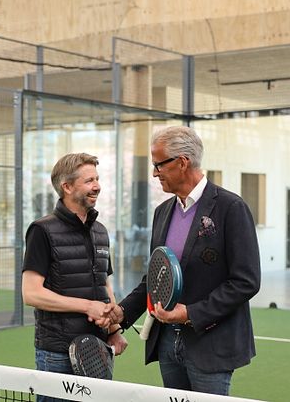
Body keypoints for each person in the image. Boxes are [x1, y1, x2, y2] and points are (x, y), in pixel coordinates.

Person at [106, 126, 261, 395]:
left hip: (211, 345)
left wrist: (190, 313)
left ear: (182, 162)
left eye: (158, 164)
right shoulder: (162, 212)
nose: (154, 172)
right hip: (167, 343)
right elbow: (156, 278)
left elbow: (246, 282)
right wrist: (122, 313)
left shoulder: (231, 208)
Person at [22, 153, 127, 401]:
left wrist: (113, 329)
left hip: (97, 350)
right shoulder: (41, 230)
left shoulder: (100, 231)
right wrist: (86, 306)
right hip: (57, 352)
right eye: (89, 180)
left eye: (98, 179)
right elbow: (31, 293)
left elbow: (103, 282)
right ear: (66, 187)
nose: (97, 186)